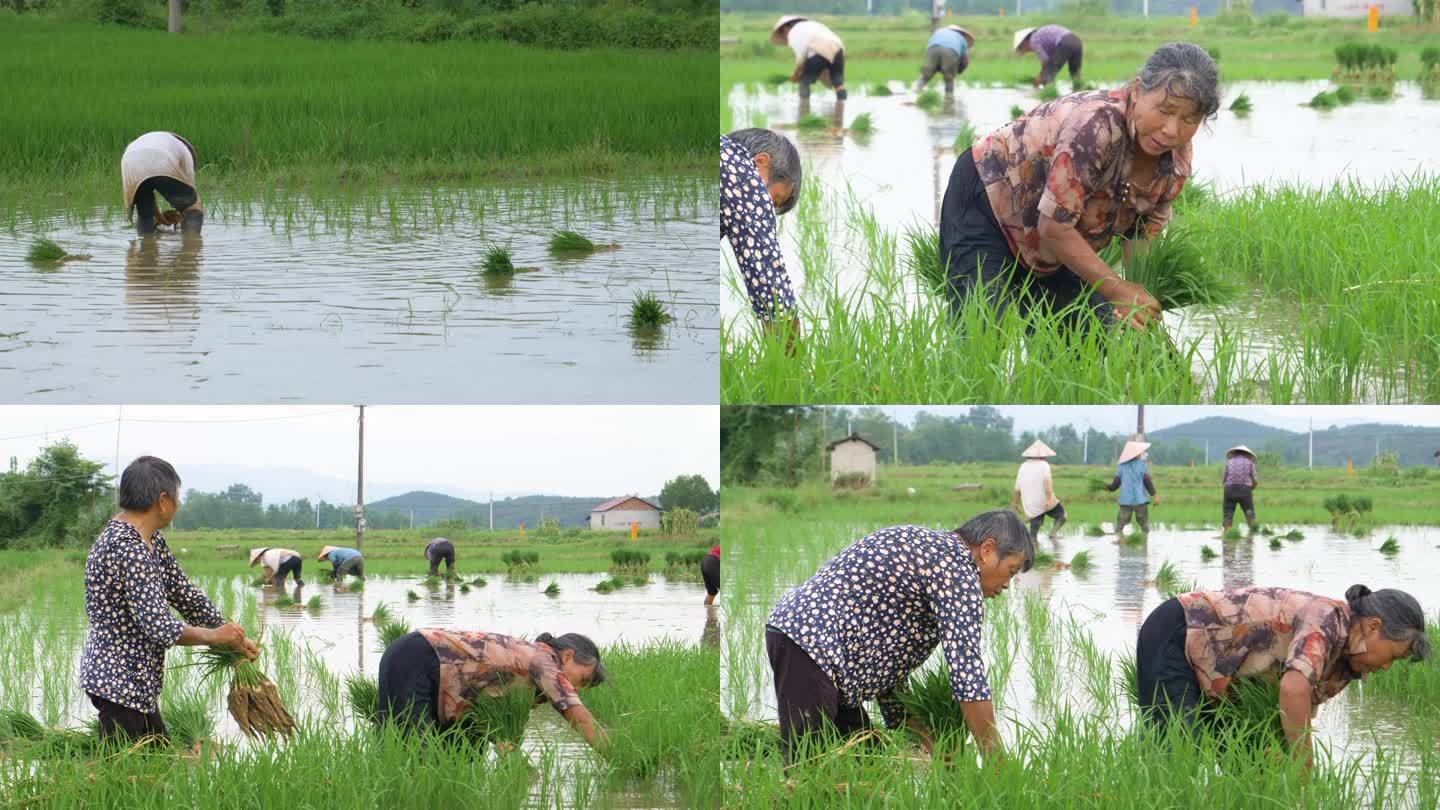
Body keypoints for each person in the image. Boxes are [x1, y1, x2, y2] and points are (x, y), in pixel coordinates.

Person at [941, 43, 1216, 329]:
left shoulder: (1176, 159)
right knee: (982, 328)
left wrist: (1135, 299)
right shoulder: (1094, 128)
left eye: (1189, 119)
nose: (1172, 130)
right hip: (990, 202)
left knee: (1090, 339)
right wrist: (1117, 289)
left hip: (1056, 237)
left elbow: (1140, 234)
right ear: (1137, 90)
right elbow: (1053, 227)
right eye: (1164, 110)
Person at [765, 511, 1034, 766]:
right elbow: (967, 674)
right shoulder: (958, 570)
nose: (1008, 584)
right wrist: (995, 761)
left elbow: (887, 666)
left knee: (865, 759)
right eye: (1011, 571)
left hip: (814, 648)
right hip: (811, 643)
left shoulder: (933, 552)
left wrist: (930, 745)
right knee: (810, 767)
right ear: (987, 550)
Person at [1136, 584, 1429, 768]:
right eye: (1393, 656)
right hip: (1180, 630)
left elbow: (1295, 713)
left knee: (1251, 761)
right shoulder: (1327, 619)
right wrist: (1304, 767)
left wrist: (1281, 752)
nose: (1387, 667)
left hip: (1222, 671)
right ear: (1374, 627)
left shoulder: (1347, 663)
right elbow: (1293, 690)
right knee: (1177, 749)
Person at [79, 456, 258, 745]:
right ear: (164, 500)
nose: (178, 503)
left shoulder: (150, 539)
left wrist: (231, 634)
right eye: (177, 496)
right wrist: (214, 636)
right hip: (117, 681)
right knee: (121, 776)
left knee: (153, 767)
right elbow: (160, 628)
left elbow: (183, 593)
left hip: (136, 683)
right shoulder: (127, 547)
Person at [376, 629, 608, 753]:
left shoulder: (528, 682)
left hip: (426, 667)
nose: (576, 689)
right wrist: (624, 759)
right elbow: (582, 721)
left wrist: (519, 768)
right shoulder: (544, 662)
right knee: (413, 752)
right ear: (567, 656)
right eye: (582, 679)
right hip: (416, 657)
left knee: (464, 756)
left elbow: (500, 730)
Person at [721, 129, 801, 334]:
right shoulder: (744, 176)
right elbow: (772, 289)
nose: (767, 210)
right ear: (761, 162)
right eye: (773, 200)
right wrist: (790, 364)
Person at [122, 131, 204, 237]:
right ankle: (191, 246)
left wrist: (158, 216)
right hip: (161, 156)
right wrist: (185, 214)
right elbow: (190, 198)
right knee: (192, 208)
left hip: (129, 160)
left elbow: (147, 185)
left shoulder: (160, 140)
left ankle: (146, 246)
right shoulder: (185, 152)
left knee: (145, 215)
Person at [771, 16, 847, 101]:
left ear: (785, 28)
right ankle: (841, 106)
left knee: (804, 82)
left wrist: (795, 75)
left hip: (818, 51)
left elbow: (801, 59)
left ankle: (804, 109)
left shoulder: (793, 33)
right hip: (838, 49)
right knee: (838, 84)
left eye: (782, 33)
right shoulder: (813, 25)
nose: (785, 36)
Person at [1012, 440, 1066, 540]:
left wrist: (1015, 503)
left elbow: (1017, 488)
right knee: (1062, 516)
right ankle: (1053, 533)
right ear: (1043, 456)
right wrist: (1049, 499)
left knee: (1034, 531)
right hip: (1045, 501)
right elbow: (1047, 483)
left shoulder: (1023, 466)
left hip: (1030, 504)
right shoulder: (1044, 465)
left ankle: (1033, 548)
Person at [1105, 440, 1158, 536]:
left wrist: (1107, 487)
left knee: (1119, 527)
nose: (1141, 453)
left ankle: (1120, 544)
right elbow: (1147, 482)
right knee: (1144, 526)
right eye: (1140, 452)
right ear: (1135, 454)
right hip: (1140, 501)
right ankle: (1144, 544)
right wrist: (1155, 495)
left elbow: (1115, 485)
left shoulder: (1121, 466)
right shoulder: (1142, 465)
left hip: (1126, 501)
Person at [1013, 25, 1084, 88]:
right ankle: (1079, 93)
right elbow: (1051, 59)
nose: (1027, 51)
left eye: (1021, 48)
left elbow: (1045, 61)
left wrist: (1040, 76)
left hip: (1064, 42)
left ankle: (1049, 95)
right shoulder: (1041, 37)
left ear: (1024, 42)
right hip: (1076, 41)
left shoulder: (1033, 40)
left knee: (1047, 74)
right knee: (1075, 73)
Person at [918, 25, 974, 95]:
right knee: (949, 78)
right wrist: (958, 71)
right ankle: (949, 99)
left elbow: (928, 49)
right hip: (950, 51)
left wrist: (935, 67)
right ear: (960, 33)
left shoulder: (938, 32)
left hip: (932, 50)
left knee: (925, 75)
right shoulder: (961, 38)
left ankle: (916, 93)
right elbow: (965, 60)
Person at [1221, 445, 1259, 533]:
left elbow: (1224, 480)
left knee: (1228, 513)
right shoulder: (1250, 463)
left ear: (1234, 453)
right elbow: (1255, 481)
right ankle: (1253, 533)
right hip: (1245, 490)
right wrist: (1250, 489)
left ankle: (1227, 533)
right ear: (1247, 454)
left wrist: (1229, 488)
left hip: (1229, 490)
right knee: (1249, 512)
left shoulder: (1228, 462)